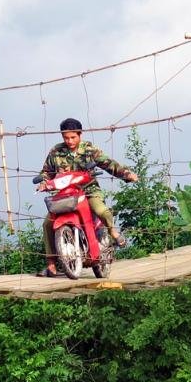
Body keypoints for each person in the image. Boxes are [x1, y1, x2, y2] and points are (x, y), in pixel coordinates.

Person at [36, 117, 138, 277]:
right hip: (65, 195)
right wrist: (43, 182)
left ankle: (113, 232)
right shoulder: (56, 152)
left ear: (80, 134)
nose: (69, 141)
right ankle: (51, 264)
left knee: (101, 210)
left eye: (73, 137)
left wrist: (127, 174)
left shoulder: (90, 150)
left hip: (89, 191)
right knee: (47, 223)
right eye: (66, 137)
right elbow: (46, 172)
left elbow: (108, 164)